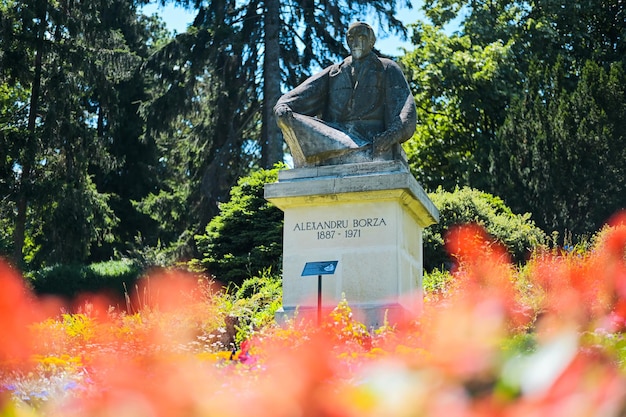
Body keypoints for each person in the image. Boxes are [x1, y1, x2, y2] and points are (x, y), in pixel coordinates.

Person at [274, 22, 417, 167]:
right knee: (289, 117)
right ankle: (338, 149)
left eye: (361, 37)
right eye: (351, 38)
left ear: (372, 41)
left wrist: (392, 135)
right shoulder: (334, 72)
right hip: (333, 135)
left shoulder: (387, 68)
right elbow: (297, 97)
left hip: (370, 138)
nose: (355, 42)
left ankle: (350, 149)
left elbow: (405, 108)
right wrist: (283, 108)